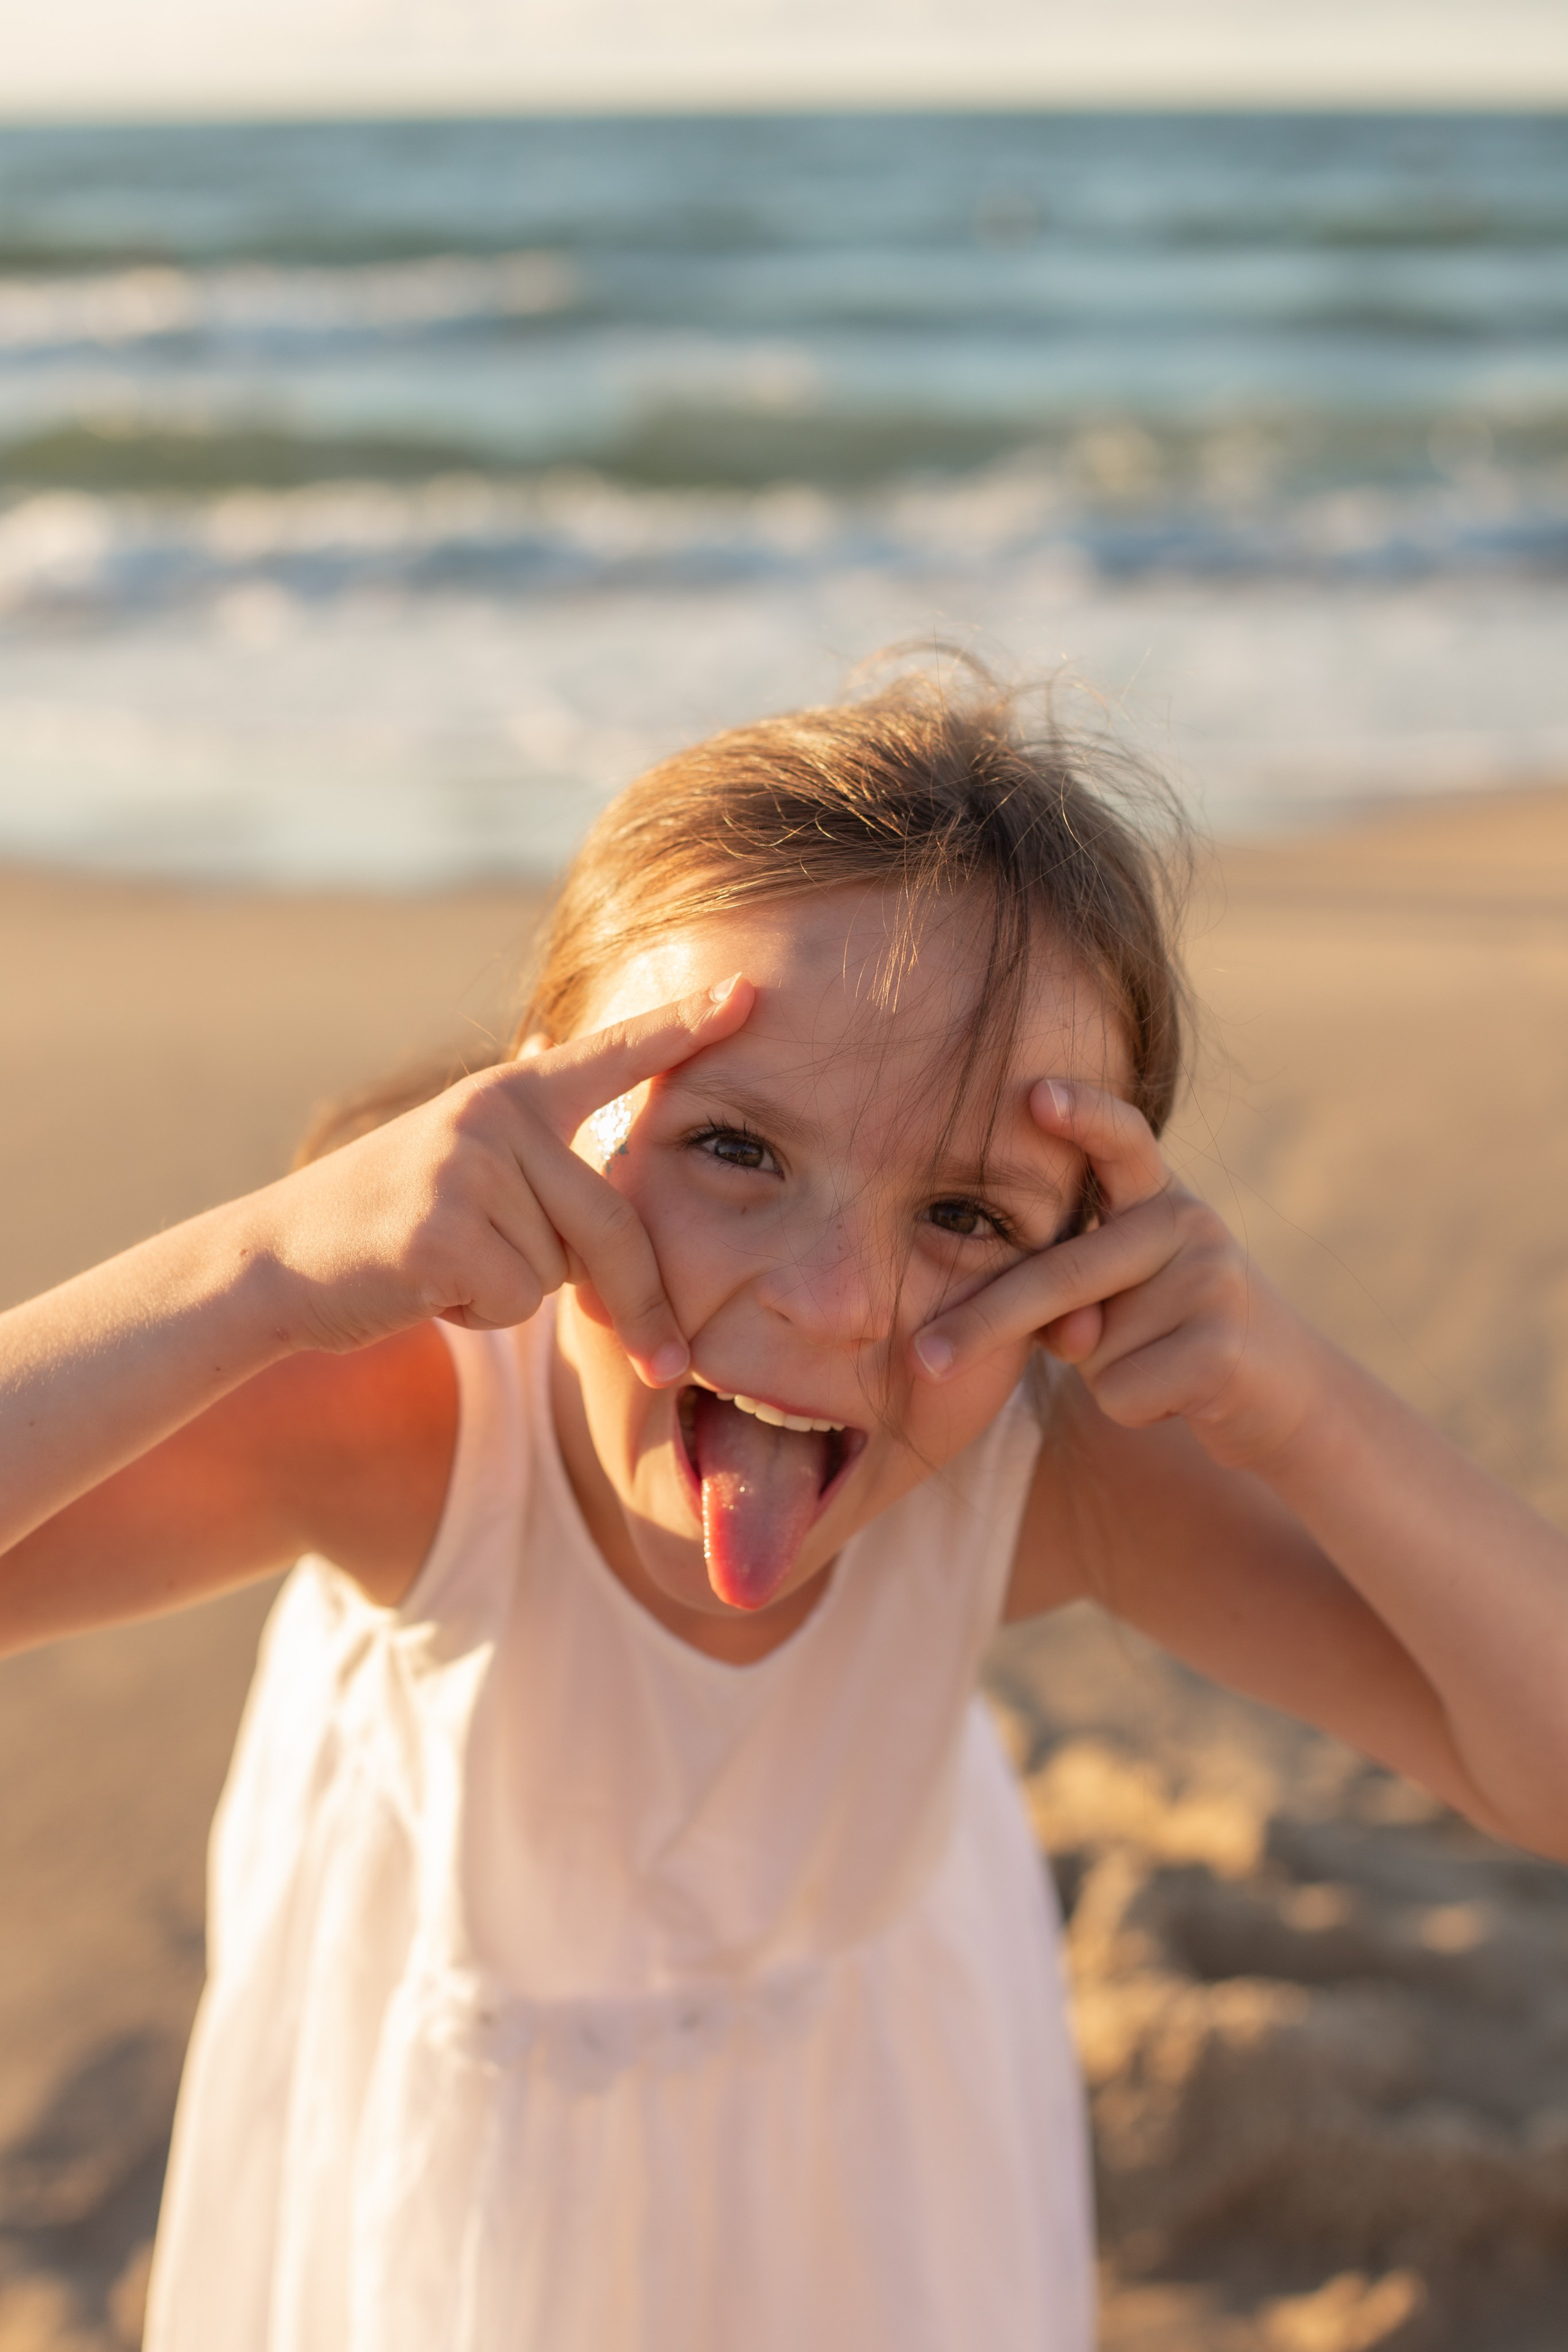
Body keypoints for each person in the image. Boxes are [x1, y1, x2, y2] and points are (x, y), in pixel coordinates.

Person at [3, 665, 1567, 2352]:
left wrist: (1302, 1407)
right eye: (736, 1150)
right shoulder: (409, 1418)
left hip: (865, 2105)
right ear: (534, 1126)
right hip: (450, 2128)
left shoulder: (1048, 1465)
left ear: (1087, 1258)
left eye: (967, 1210)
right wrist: (261, 1272)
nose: (832, 1302)